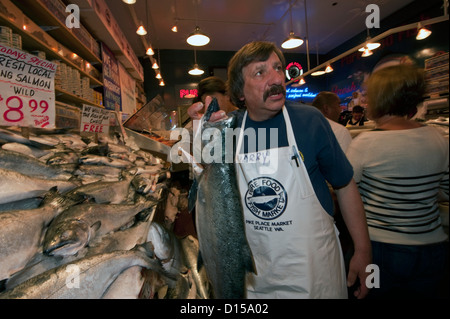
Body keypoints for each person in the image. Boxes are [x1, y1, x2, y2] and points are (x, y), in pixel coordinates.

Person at [188, 41, 372, 299]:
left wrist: (363, 250)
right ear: (240, 93)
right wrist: (200, 131)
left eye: (278, 68)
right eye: (260, 72)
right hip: (255, 281)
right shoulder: (227, 129)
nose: (276, 78)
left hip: (314, 275)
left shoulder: (310, 121)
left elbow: (344, 185)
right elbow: (204, 182)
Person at [346, 64, 449, 299]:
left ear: (382, 98)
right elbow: (446, 191)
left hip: (380, 250)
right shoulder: (438, 139)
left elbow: (349, 196)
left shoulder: (365, 144)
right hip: (432, 251)